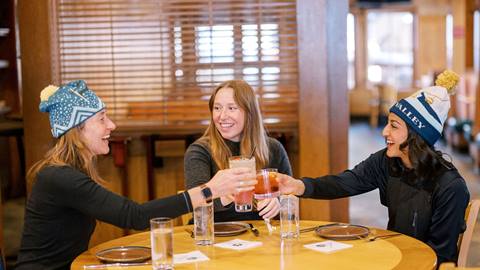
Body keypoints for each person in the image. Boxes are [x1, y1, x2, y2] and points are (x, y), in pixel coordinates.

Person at [15, 80, 256, 270]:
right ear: (77, 131)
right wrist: (209, 190)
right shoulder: (60, 178)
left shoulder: (70, 172)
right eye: (102, 119)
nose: (112, 125)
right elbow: (135, 215)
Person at [277, 70, 470, 265]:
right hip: (395, 258)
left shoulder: (450, 186)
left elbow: (441, 256)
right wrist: (299, 186)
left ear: (416, 135)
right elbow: (346, 182)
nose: (385, 131)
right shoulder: (386, 162)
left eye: (394, 126)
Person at [184, 79, 292, 222]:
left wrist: (278, 202)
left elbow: (290, 196)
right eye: (217, 108)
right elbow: (196, 204)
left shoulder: (273, 148)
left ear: (249, 112)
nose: (222, 116)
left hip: (261, 235)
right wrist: (224, 194)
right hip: (213, 235)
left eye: (231, 108)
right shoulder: (199, 151)